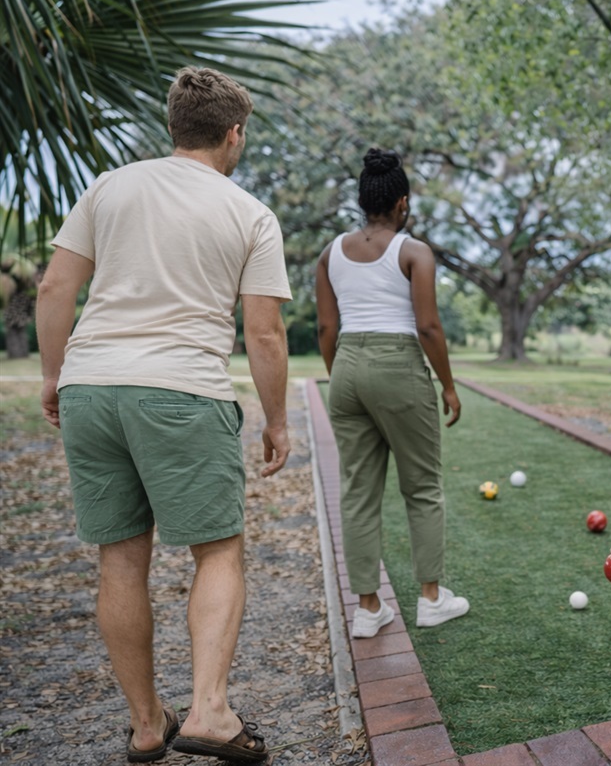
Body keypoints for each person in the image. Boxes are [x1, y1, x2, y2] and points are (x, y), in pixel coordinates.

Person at [36, 66, 291, 764]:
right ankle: (209, 710)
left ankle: (148, 725)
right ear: (234, 134)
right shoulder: (248, 212)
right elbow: (264, 334)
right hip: (182, 389)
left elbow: (57, 285)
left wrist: (56, 375)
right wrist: (277, 421)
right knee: (217, 550)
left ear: (173, 128)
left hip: (91, 386)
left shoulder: (111, 185)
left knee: (119, 557)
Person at [315, 148, 468, 637]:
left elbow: (324, 327)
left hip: (346, 366)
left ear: (364, 202)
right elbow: (427, 326)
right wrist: (447, 385)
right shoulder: (413, 250)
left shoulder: (329, 253)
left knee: (357, 492)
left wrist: (340, 375)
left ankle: (367, 608)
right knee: (422, 487)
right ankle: (430, 599)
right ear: (402, 202)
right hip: (398, 365)